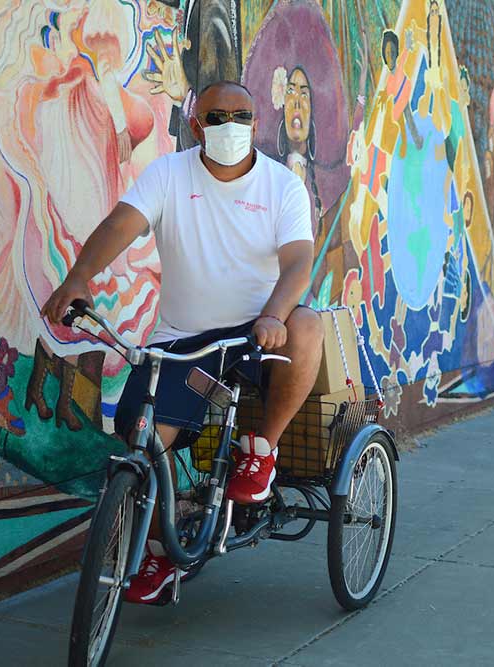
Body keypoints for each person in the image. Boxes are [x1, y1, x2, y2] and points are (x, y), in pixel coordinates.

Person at [41, 80, 323, 603]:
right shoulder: (170, 174)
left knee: (308, 327)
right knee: (143, 439)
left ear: (256, 123)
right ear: (197, 125)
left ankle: (261, 451)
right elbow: (120, 225)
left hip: (256, 334)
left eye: (242, 115)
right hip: (185, 344)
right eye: (218, 117)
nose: (231, 126)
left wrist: (272, 315)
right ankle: (160, 550)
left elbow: (298, 262)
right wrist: (79, 277)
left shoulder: (282, 187)